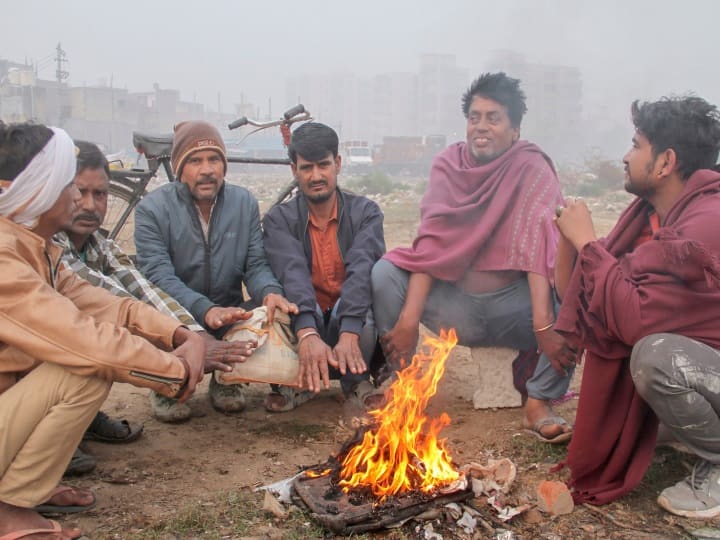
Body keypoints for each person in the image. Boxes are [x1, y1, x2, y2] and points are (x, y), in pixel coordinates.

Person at [0, 123, 205, 539]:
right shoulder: (5, 258)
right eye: (68, 186)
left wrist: (181, 334)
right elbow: (87, 340)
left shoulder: (37, 247)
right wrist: (175, 372)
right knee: (85, 367)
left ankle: (19, 490)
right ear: (34, 190)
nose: (79, 198)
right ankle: (11, 510)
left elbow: (106, 304)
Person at [372, 72, 576, 442]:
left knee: (580, 290)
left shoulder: (531, 167)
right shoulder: (448, 166)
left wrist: (544, 326)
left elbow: (538, 250)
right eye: (474, 117)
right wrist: (407, 321)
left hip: (516, 310)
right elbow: (431, 244)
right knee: (385, 273)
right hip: (454, 306)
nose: (481, 127)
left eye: (493, 118)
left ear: (514, 129)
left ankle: (539, 402)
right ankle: (403, 388)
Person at [554, 96, 720, 517]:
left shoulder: (706, 222)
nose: (626, 158)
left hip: (703, 362)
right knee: (652, 365)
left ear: (665, 162)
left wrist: (588, 244)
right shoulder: (650, 219)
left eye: (635, 145)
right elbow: (590, 293)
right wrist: (572, 242)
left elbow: (634, 320)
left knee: (655, 359)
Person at [56, 141, 257, 427]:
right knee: (100, 336)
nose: (89, 205)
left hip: (212, 312)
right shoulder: (50, 249)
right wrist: (189, 340)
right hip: (25, 367)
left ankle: (83, 421)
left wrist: (193, 335)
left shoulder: (101, 246)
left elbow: (141, 289)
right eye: (79, 192)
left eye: (100, 194)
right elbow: (123, 297)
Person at [134, 120, 297, 420]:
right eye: (195, 161)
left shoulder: (243, 202)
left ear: (224, 166)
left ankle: (226, 378)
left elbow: (256, 264)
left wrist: (270, 292)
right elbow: (157, 277)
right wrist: (205, 310)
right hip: (175, 314)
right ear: (180, 168)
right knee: (152, 313)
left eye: (214, 160)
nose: (206, 169)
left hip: (228, 312)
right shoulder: (152, 210)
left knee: (262, 312)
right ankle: (167, 381)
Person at [262, 122, 386, 412]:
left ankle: (356, 382)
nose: (316, 176)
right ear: (294, 170)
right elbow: (292, 274)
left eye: (323, 165)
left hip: (353, 325)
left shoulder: (365, 213)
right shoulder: (279, 219)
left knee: (375, 289)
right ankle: (297, 382)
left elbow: (362, 269)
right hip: (306, 319)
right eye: (306, 168)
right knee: (279, 304)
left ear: (337, 164)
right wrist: (306, 331)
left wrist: (349, 332)